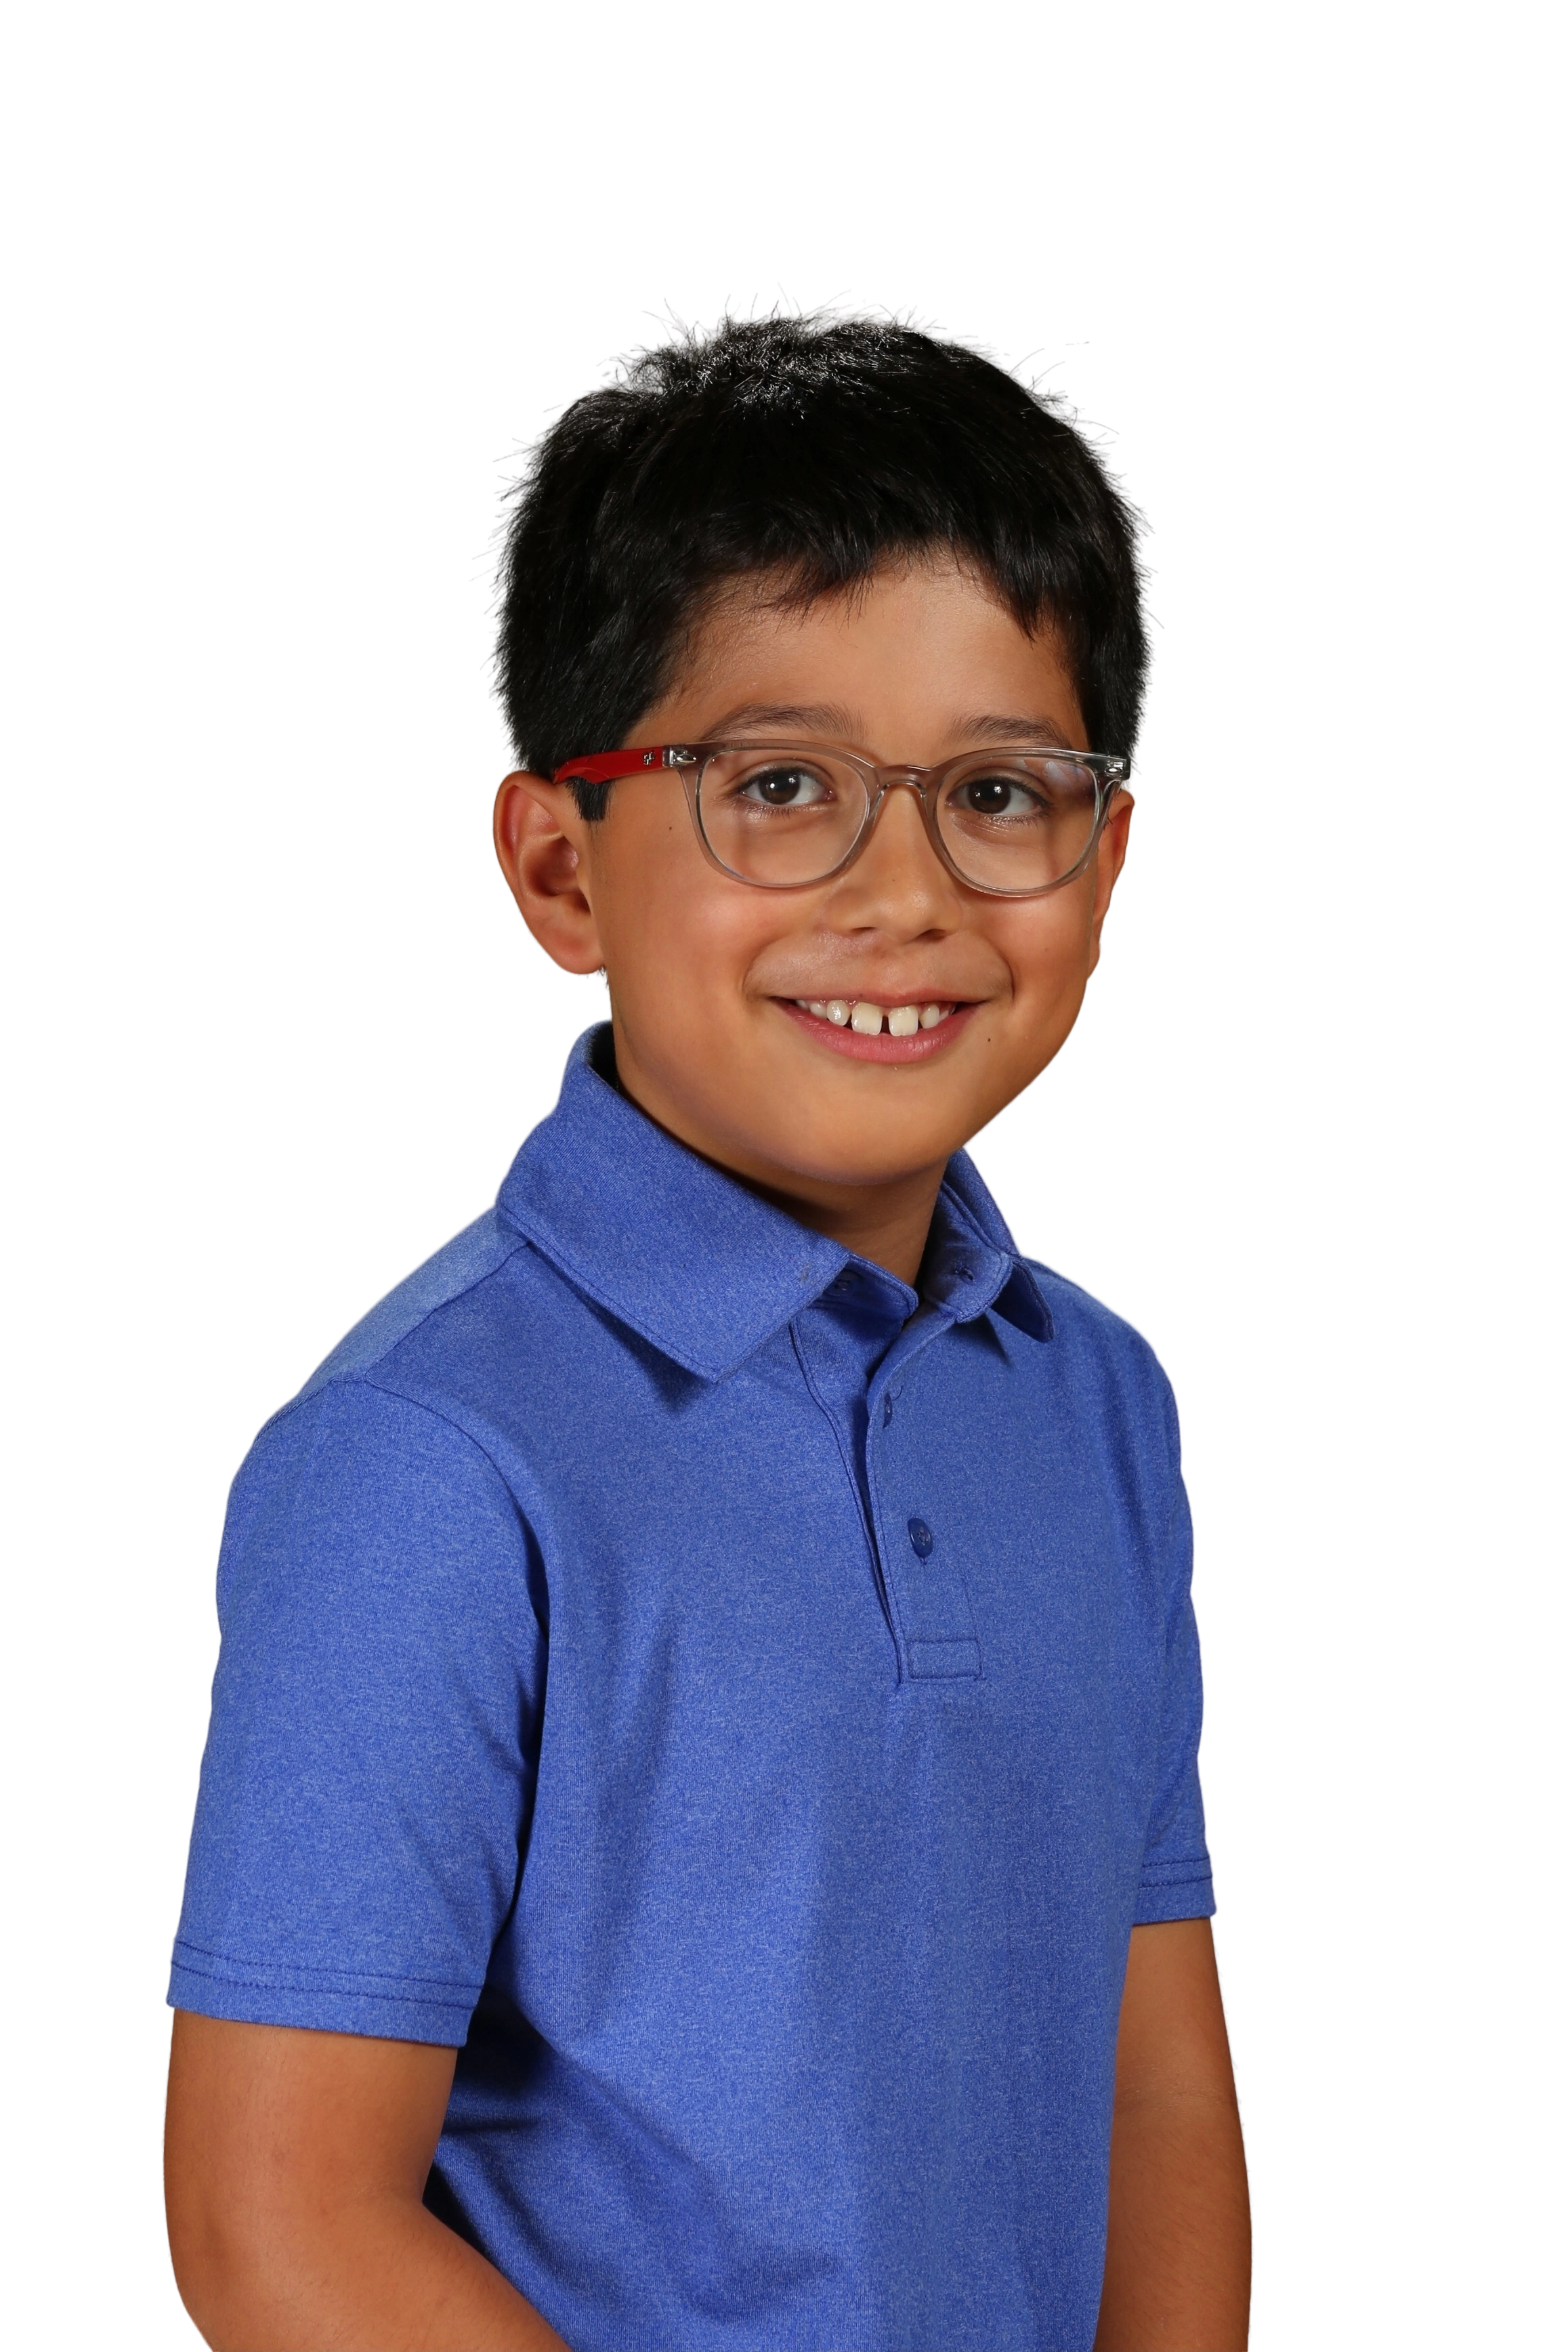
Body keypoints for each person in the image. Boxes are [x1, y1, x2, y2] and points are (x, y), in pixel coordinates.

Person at [161, 289, 1252, 2352]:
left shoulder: (1096, 1399)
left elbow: (1153, 2087)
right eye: (780, 785)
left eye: (1000, 793)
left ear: (1108, 855)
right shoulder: (424, 1459)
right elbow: (276, 2224)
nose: (907, 894)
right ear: (557, 870)